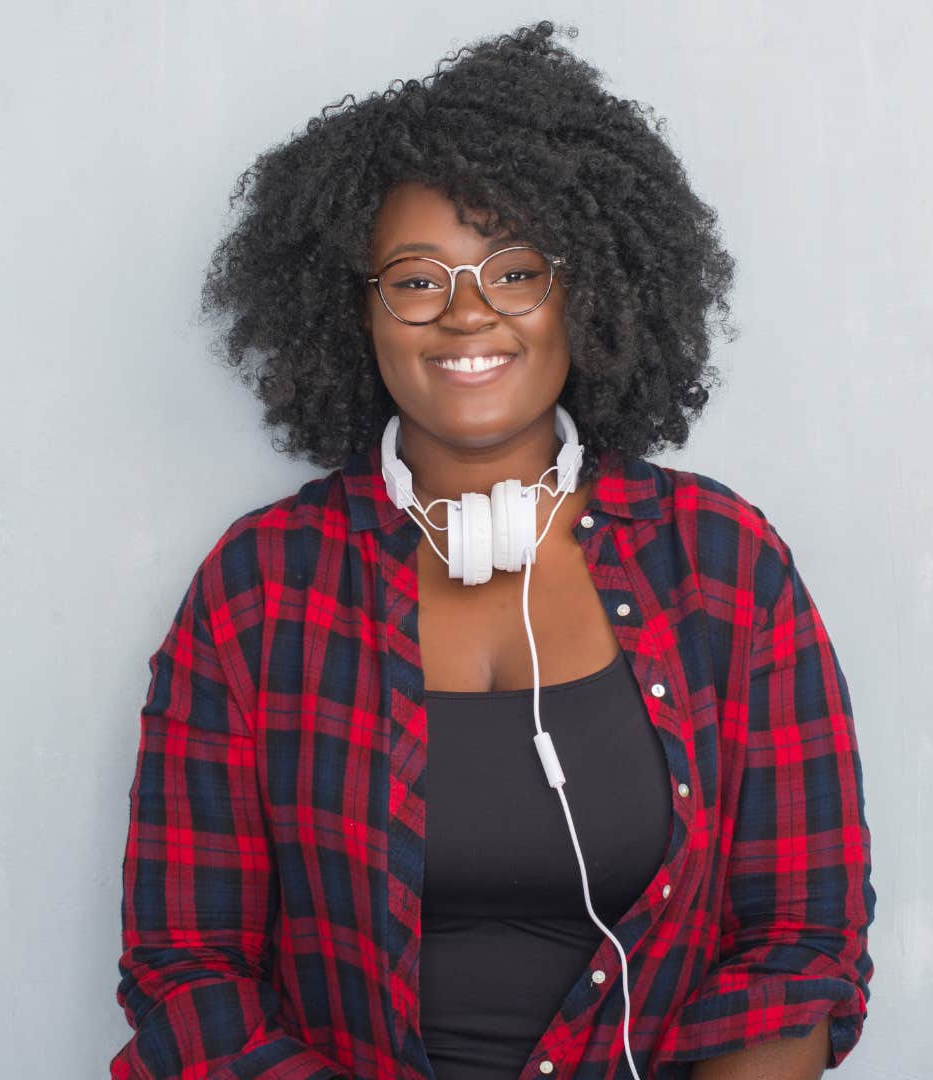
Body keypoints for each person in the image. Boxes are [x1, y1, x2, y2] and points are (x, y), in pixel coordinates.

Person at [112, 20, 874, 1080]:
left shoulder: (723, 568)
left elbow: (799, 945)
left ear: (588, 293)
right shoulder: (258, 589)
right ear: (357, 313)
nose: (468, 316)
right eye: (418, 280)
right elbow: (186, 970)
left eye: (515, 273)